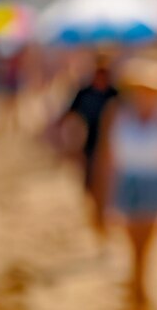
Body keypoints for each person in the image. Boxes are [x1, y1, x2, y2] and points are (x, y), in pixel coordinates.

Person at [95, 52, 157, 308]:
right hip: (128, 181)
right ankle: (139, 286)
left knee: (144, 242)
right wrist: (105, 199)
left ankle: (139, 285)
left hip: (153, 183)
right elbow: (107, 159)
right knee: (133, 240)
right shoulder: (117, 114)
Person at [61, 56, 118, 234]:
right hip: (90, 147)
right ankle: (96, 218)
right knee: (90, 186)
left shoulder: (115, 94)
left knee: (107, 186)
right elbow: (69, 115)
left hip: (111, 149)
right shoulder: (84, 92)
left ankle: (102, 221)